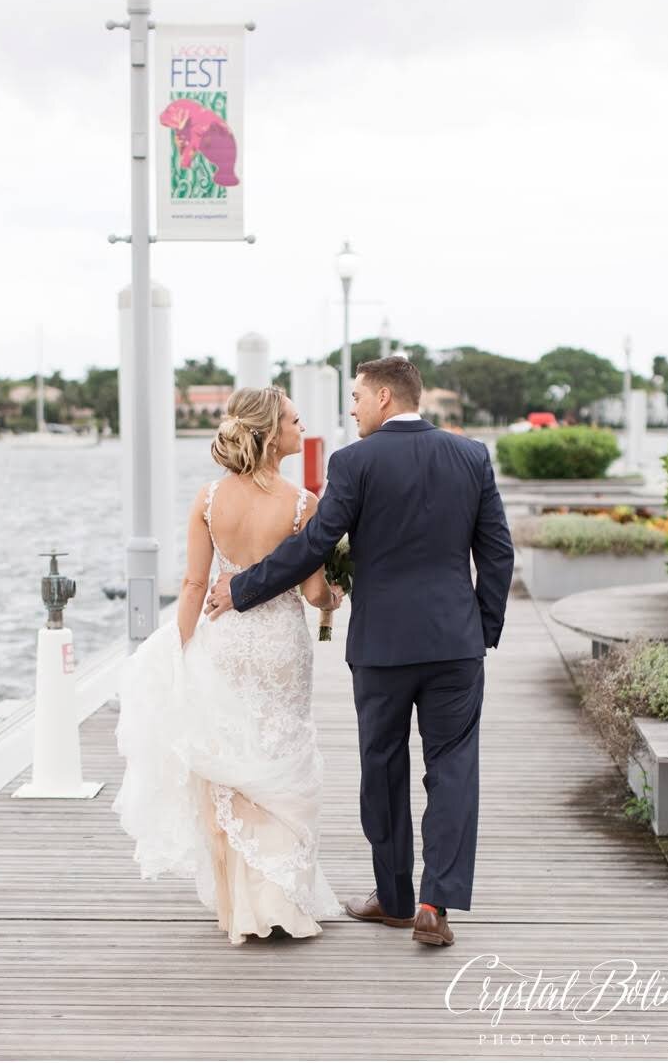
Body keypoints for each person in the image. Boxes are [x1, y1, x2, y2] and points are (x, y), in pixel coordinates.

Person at [205, 357, 514, 947]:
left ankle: (394, 899)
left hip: (382, 648)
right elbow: (497, 553)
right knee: (453, 769)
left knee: (384, 766)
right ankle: (435, 903)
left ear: (383, 399)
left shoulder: (354, 463)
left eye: (355, 397)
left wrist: (241, 589)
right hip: (455, 644)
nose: (350, 408)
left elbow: (313, 547)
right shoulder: (472, 456)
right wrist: (483, 629)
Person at [113, 385, 346, 945]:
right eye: (294, 419)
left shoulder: (209, 499)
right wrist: (337, 591)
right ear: (271, 437)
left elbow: (194, 583)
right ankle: (278, 899)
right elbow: (314, 592)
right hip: (280, 650)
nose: (301, 426)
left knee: (227, 767)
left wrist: (183, 650)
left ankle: (237, 908)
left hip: (224, 642)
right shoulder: (302, 504)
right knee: (280, 757)